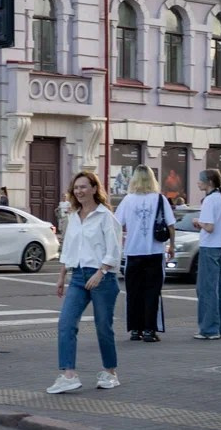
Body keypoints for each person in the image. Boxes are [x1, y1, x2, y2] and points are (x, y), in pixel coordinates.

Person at [47, 170, 123, 394]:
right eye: (76, 188)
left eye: (83, 187)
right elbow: (69, 248)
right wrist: (62, 276)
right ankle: (68, 375)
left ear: (93, 189)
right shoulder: (73, 216)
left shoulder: (105, 217)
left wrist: (100, 272)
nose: (79, 191)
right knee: (66, 323)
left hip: (102, 277)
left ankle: (110, 372)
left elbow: (114, 249)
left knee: (103, 327)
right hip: (78, 276)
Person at [114, 165, 175, 343]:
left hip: (133, 252)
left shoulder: (128, 200)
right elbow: (170, 225)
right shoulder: (160, 199)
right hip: (154, 251)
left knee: (133, 293)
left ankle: (135, 329)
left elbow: (116, 223)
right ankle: (149, 330)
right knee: (152, 292)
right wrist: (171, 246)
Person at [192, 169, 221, 340]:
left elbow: (209, 227)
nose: (198, 183)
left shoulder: (209, 200)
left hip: (209, 246)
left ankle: (209, 329)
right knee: (218, 288)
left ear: (209, 182)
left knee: (206, 289)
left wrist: (197, 222)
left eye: (200, 180)